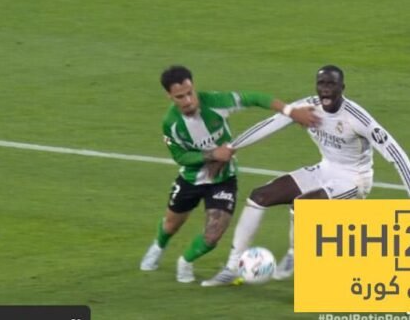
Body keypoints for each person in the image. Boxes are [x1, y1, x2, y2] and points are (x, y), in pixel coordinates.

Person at [202, 65, 410, 287]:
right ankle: (232, 267)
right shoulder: (308, 108)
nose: (326, 89)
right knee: (258, 196)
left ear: (342, 87)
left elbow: (397, 155)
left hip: (354, 180)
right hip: (325, 169)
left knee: (303, 206)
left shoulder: (357, 118)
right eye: (322, 84)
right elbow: (271, 124)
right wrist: (232, 147)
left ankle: (296, 254)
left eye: (331, 84)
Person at [139, 65, 318, 283]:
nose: (188, 101)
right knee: (171, 224)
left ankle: (185, 261)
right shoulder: (171, 123)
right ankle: (158, 247)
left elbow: (254, 98)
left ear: (193, 87)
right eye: (180, 97)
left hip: (223, 179)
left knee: (213, 234)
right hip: (190, 179)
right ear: (169, 96)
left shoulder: (215, 102)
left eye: (190, 93)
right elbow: (180, 157)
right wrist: (212, 154)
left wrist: (291, 111)